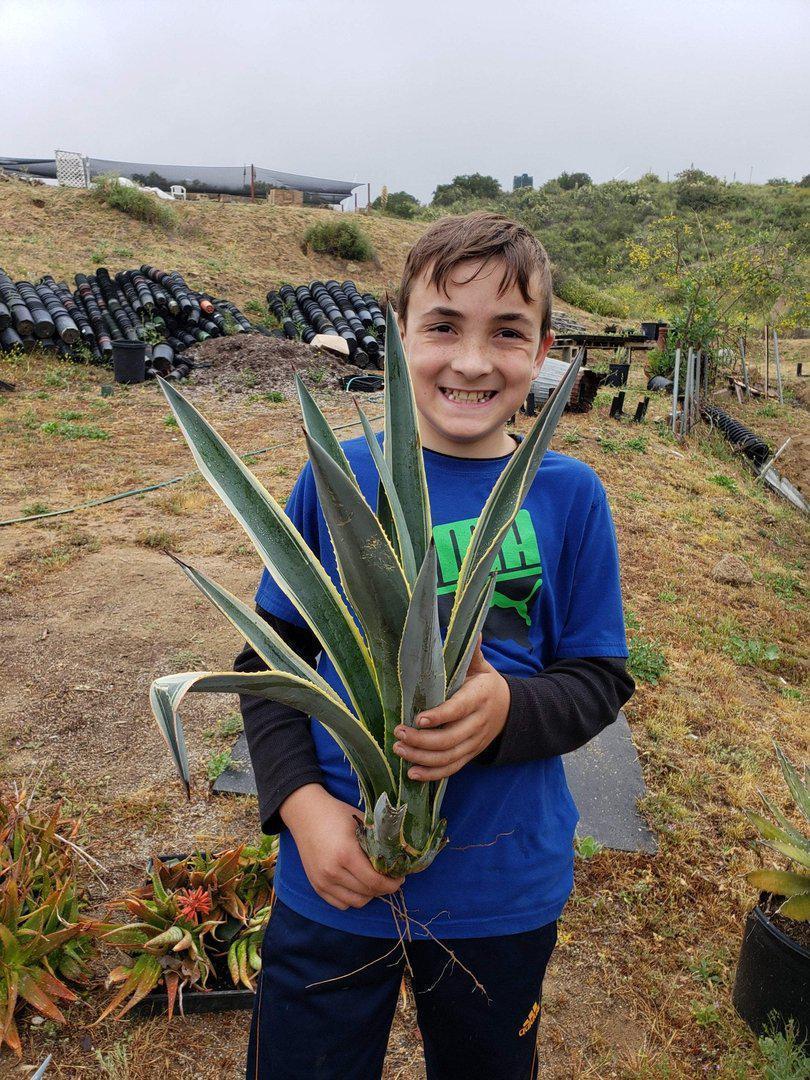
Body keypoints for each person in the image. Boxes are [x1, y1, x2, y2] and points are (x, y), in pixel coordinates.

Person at [236, 211, 634, 1079]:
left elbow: (601, 677)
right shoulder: (338, 481)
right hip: (335, 873)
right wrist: (302, 812)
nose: (471, 360)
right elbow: (269, 664)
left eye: (508, 333)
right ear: (398, 336)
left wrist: (505, 712)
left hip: (502, 886)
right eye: (442, 326)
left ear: (544, 351)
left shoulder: (569, 495)